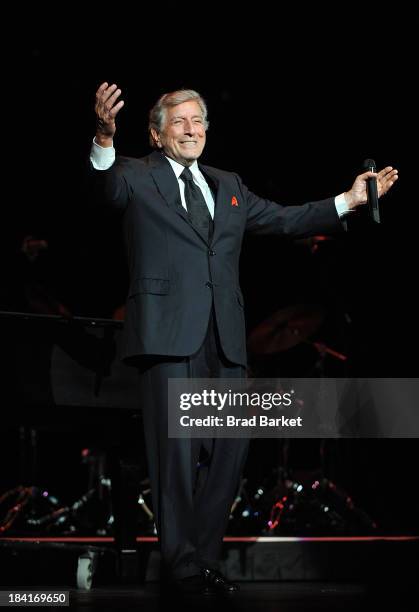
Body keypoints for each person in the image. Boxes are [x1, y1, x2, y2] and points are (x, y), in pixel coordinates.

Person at [90, 82, 398, 594]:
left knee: (230, 452)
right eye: (180, 122)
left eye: (198, 121)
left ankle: (202, 562)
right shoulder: (135, 176)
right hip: (169, 337)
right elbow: (103, 188)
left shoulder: (227, 183)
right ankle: (181, 567)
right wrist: (103, 135)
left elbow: (284, 219)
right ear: (156, 133)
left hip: (226, 338)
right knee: (176, 456)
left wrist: (349, 200)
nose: (191, 130)